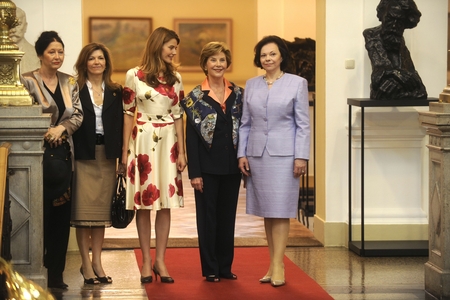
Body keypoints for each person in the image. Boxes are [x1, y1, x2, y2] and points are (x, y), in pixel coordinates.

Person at [237, 35, 310, 287]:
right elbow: (245, 123)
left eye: (272, 54)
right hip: (257, 155)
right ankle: (272, 263)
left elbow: (303, 124)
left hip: (285, 156)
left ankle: (279, 264)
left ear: (281, 57)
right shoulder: (251, 84)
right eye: (263, 55)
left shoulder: (297, 83)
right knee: (268, 211)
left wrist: (301, 156)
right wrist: (241, 154)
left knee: (280, 210)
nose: (267, 58)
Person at [121, 27, 186, 284]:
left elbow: (179, 115)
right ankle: (146, 261)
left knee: (166, 204)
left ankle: (161, 259)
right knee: (144, 204)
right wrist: (125, 151)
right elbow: (128, 113)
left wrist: (182, 151)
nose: (174, 52)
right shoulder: (133, 75)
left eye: (175, 47)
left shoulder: (176, 77)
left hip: (169, 139)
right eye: (170, 46)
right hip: (143, 139)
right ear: (158, 45)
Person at [21, 31, 83, 289]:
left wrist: (62, 129)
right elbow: (21, 114)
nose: (57, 56)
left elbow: (78, 115)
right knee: (37, 214)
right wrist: (46, 130)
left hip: (64, 156)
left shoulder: (70, 82)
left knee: (60, 216)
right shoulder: (26, 81)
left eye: (60, 51)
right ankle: (35, 272)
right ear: (40, 54)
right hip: (35, 156)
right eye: (51, 52)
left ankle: (56, 274)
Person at [181, 42, 244, 283]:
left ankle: (225, 267)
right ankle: (210, 268)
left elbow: (245, 129)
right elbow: (192, 140)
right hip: (206, 169)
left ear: (227, 63)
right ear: (205, 64)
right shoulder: (195, 97)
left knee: (227, 218)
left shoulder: (238, 93)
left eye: (222, 60)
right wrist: (194, 173)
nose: (218, 64)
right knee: (207, 219)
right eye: (213, 60)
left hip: (232, 167)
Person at [71, 43, 123, 285]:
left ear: (106, 62)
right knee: (83, 213)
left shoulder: (116, 90)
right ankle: (85, 264)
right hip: (83, 156)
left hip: (107, 156)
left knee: (100, 214)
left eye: (100, 58)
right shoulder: (74, 88)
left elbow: (123, 126)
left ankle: (98, 263)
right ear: (85, 62)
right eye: (91, 58)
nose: (96, 62)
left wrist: (123, 158)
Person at [363, 0, 427, 100]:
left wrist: (396, 77)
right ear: (382, 15)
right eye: (390, 19)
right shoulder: (371, 35)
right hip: (383, 91)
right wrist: (397, 74)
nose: (393, 26)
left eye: (400, 22)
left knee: (389, 87)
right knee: (384, 88)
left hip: (391, 91)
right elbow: (379, 73)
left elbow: (415, 80)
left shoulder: (399, 40)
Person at [10, 7, 40, 73]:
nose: (13, 30)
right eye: (10, 24)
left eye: (18, 24)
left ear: (25, 26)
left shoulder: (37, 54)